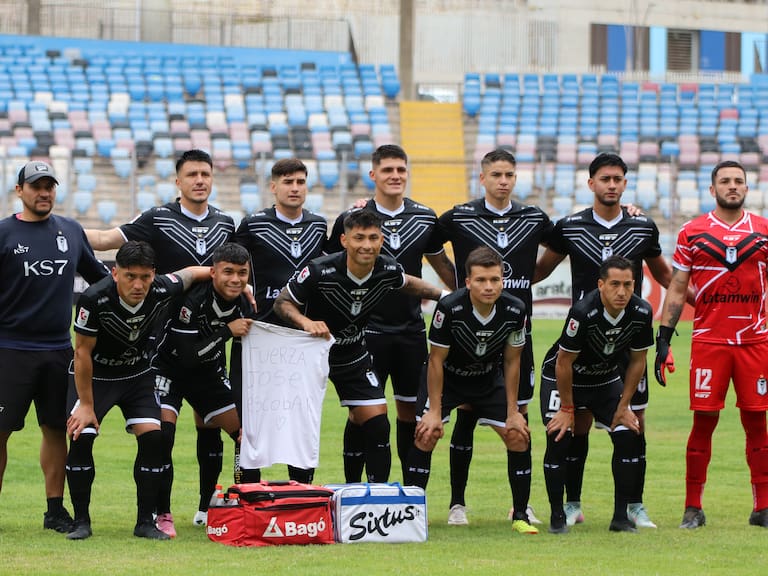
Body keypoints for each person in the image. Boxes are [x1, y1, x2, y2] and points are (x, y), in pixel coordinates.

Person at [86, 149, 237, 528]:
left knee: (211, 427)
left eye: (205, 173)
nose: (199, 180)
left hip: (209, 345)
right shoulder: (158, 217)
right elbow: (105, 238)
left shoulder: (227, 223)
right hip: (162, 346)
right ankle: (161, 512)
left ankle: (208, 508)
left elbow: (246, 263)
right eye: (192, 174)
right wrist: (55, 229)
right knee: (161, 435)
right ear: (178, 181)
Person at [533, 153, 676, 529]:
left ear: (625, 184)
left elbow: (665, 275)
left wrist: (698, 304)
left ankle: (634, 507)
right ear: (591, 183)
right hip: (583, 340)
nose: (611, 185)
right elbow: (538, 271)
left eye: (618, 179)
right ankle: (572, 505)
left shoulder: (643, 226)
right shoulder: (570, 226)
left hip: (627, 345)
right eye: (604, 179)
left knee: (632, 422)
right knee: (576, 426)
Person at [274, 209, 444, 484]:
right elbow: (282, 303)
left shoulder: (386, 268)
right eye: (359, 238)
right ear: (344, 240)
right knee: (303, 427)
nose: (366, 244)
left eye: (373, 238)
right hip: (310, 356)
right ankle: (303, 498)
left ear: (381, 240)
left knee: (377, 422)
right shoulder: (319, 270)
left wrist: (444, 296)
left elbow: (407, 283)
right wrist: (306, 322)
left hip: (353, 355)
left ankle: (375, 498)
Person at [435, 148, 553, 532]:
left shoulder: (533, 216)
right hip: (467, 335)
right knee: (465, 421)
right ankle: (457, 503)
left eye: (509, 174)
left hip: (515, 333)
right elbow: (427, 244)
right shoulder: (459, 216)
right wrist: (455, 280)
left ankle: (522, 506)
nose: (503, 180)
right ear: (481, 177)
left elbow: (561, 245)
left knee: (519, 418)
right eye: (496, 174)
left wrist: (527, 281)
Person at [327, 144, 456, 482]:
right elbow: (331, 267)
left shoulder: (425, 216)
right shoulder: (352, 217)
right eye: (387, 170)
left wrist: (461, 299)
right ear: (373, 175)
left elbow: (441, 264)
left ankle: (409, 495)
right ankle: (355, 489)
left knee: (410, 413)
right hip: (364, 332)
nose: (395, 176)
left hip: (410, 331)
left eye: (401, 170)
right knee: (361, 414)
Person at [65, 241, 210, 540]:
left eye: (145, 277)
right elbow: (82, 354)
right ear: (115, 273)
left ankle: (145, 522)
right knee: (82, 436)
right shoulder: (94, 299)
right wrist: (87, 406)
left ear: (153, 274)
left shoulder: (160, 288)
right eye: (130, 276)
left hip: (137, 374)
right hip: (96, 376)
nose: (138, 284)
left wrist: (231, 280)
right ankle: (81, 522)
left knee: (155, 439)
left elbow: (192, 273)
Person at [655, 160, 768, 529]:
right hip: (709, 342)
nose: (732, 186)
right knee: (704, 422)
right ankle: (692, 507)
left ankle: (763, 507)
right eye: (725, 181)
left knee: (757, 423)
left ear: (747, 189)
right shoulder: (693, 232)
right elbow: (675, 287)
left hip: (755, 341)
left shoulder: (764, 231)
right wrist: (664, 337)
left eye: (738, 181)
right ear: (712, 189)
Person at [0, 160, 109, 533]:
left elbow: (101, 282)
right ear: (19, 191)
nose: (44, 192)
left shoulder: (71, 231)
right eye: (36, 186)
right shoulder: (3, 234)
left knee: (55, 429)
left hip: (58, 350)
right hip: (9, 350)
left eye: (49, 186)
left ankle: (54, 511)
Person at [405, 246, 529, 530]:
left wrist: (513, 411)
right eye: (482, 280)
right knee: (427, 434)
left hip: (487, 379)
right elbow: (436, 360)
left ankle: (521, 515)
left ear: (503, 280)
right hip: (447, 379)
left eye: (495, 280)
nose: (489, 286)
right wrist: (434, 411)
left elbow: (512, 361)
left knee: (518, 435)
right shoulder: (450, 308)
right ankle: (411, 516)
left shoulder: (515, 309)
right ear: (468, 281)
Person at [232, 157, 328, 485]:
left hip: (302, 337)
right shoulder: (253, 224)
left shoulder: (318, 225)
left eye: (300, 182)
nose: (295, 188)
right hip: (259, 333)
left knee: (300, 414)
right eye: (288, 182)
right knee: (250, 417)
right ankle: (249, 493)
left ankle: (301, 492)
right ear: (273, 187)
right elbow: (230, 265)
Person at [541, 255, 652, 533]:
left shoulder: (641, 311)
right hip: (563, 378)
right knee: (560, 436)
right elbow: (563, 362)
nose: (622, 292)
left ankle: (620, 518)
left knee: (629, 435)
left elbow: (638, 360)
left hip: (604, 380)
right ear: (601, 284)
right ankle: (558, 515)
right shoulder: (583, 311)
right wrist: (567, 409)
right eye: (615, 284)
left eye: (628, 285)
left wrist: (624, 405)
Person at [151, 243, 254, 538]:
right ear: (213, 272)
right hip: (168, 370)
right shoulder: (194, 299)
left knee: (245, 436)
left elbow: (239, 357)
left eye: (242, 273)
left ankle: (214, 508)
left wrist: (240, 402)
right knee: (162, 436)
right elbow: (187, 356)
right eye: (228, 272)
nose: (235, 279)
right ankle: (162, 513)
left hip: (208, 374)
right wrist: (225, 331)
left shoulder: (244, 302)